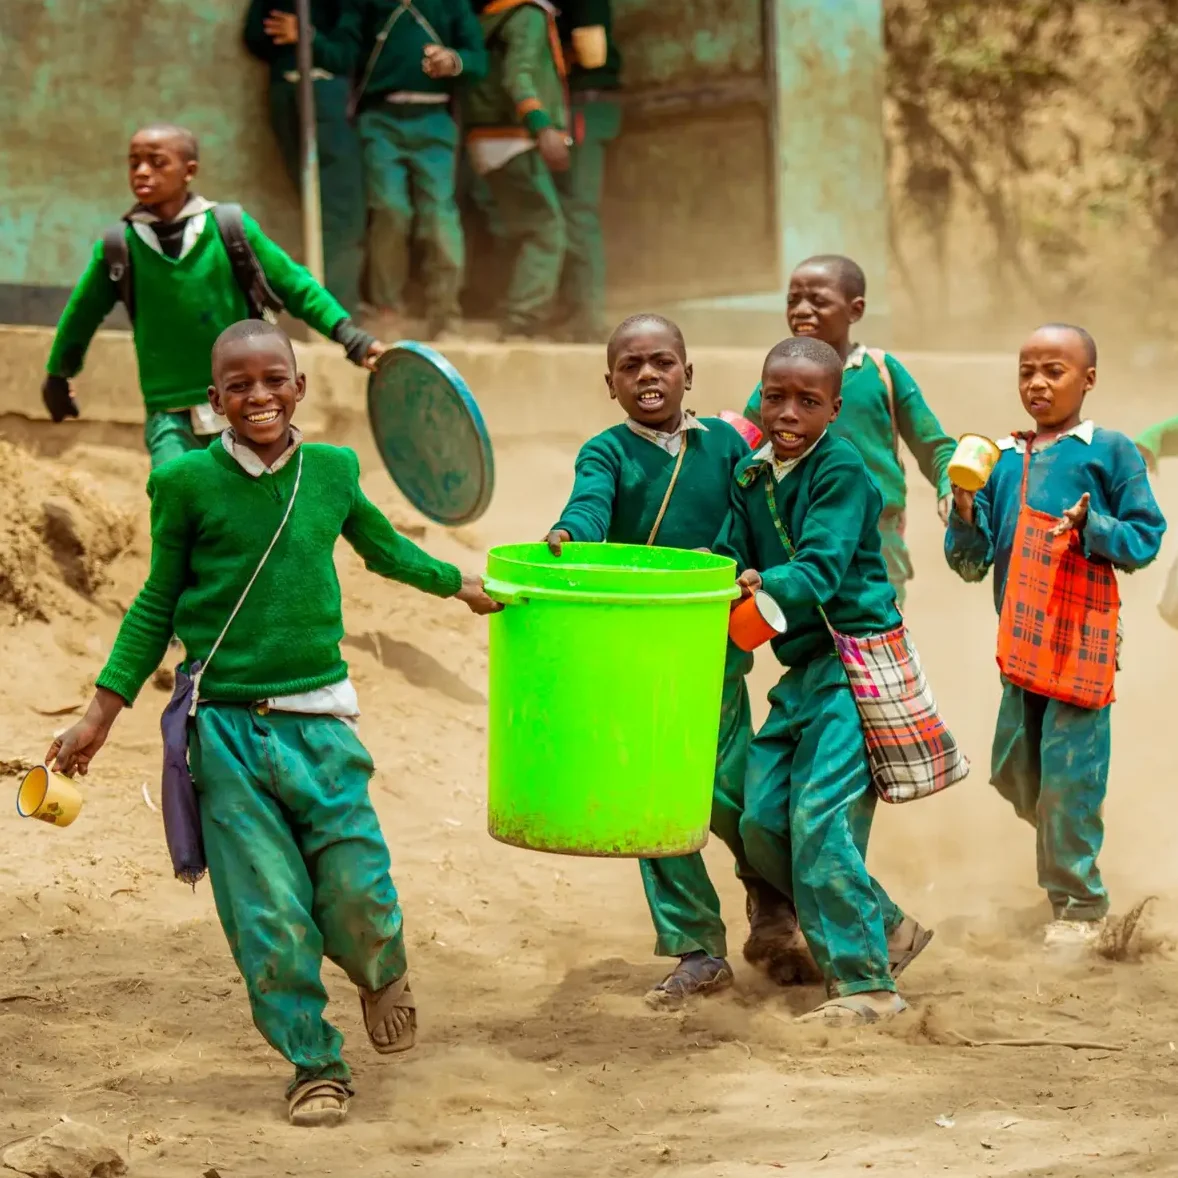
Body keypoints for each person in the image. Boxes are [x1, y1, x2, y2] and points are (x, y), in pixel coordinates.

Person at [48, 319, 501, 1126]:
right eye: (238, 386)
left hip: (321, 723)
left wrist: (457, 583)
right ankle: (313, 1063)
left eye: (273, 381)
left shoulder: (332, 470)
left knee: (359, 889)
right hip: (222, 731)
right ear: (214, 401)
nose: (258, 397)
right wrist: (100, 712)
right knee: (267, 912)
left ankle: (378, 967)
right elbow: (157, 603)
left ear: (299, 387)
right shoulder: (184, 483)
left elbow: (384, 548)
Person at [544, 314, 805, 1005]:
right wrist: (573, 534)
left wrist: (739, 565)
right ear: (610, 384)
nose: (648, 376)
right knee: (654, 806)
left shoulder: (727, 446)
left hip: (712, 652)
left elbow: (754, 523)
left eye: (662, 362)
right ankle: (698, 949)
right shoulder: (605, 453)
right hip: (633, 657)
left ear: (690, 373)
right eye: (631, 366)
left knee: (734, 793)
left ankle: (774, 900)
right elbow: (589, 507)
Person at [715, 336, 934, 1024]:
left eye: (807, 401)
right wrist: (707, 574)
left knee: (820, 819)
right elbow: (727, 549)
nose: (787, 412)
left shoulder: (842, 471)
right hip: (805, 669)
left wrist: (758, 583)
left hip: (856, 664)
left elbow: (821, 567)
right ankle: (889, 925)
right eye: (774, 396)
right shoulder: (752, 477)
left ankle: (869, 985)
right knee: (759, 822)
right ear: (758, 396)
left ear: (835, 408)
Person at [945, 324, 1165, 949]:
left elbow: (1145, 538)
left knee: (1070, 779)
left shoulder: (1110, 451)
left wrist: (1092, 523)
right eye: (1027, 371)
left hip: (1080, 643)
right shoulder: (1002, 459)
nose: (1036, 383)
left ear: (1088, 379)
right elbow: (969, 561)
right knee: (1015, 771)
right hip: (1019, 642)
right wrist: (963, 508)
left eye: (1054, 371)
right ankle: (1066, 853)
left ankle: (1081, 906)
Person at [42, 124, 382, 470]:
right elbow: (81, 315)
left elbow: (296, 286)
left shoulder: (229, 229)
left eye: (157, 163)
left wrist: (350, 337)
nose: (143, 172)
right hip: (169, 412)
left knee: (254, 501)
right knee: (175, 491)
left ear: (189, 171)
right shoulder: (119, 247)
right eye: (134, 163)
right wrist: (58, 374)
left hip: (245, 405)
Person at [264, 0, 487, 340]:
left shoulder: (450, 4)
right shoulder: (367, 4)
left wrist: (453, 61)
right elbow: (343, 54)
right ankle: (388, 308)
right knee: (390, 211)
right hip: (380, 120)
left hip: (435, 120)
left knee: (440, 219)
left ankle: (444, 315)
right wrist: (307, 36)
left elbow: (477, 59)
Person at [743, 255, 955, 609]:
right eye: (793, 300)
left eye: (818, 300)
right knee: (814, 642)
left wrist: (950, 485)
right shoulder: (781, 379)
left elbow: (934, 446)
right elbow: (743, 446)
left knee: (872, 631)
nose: (802, 310)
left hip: (877, 537)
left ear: (855, 310)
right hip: (801, 540)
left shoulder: (880, 372)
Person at [243, 0, 367, 316]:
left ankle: (310, 302)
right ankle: (334, 310)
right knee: (341, 212)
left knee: (322, 208)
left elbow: (254, 37)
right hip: (319, 94)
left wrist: (301, 35)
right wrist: (308, 37)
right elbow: (346, 55)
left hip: (287, 92)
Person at [464, 0, 570, 340]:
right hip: (515, 137)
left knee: (516, 227)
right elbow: (518, 75)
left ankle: (503, 310)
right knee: (545, 230)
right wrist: (542, 124)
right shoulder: (527, 15)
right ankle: (521, 323)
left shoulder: (490, 16)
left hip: (485, 137)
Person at [554, 0, 621, 343]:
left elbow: (592, 51)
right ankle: (575, 308)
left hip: (585, 107)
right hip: (582, 106)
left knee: (580, 211)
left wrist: (546, 58)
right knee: (571, 210)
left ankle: (589, 317)